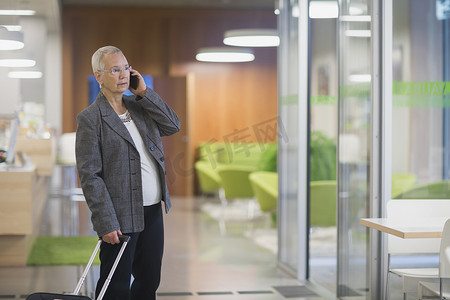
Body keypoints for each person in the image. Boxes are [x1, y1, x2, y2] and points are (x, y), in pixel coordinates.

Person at [75, 45, 180, 300]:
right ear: (98, 76)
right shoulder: (91, 118)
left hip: (153, 210)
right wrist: (105, 221)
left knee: (149, 281)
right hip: (119, 216)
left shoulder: (141, 107)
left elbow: (172, 125)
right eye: (114, 70)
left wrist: (144, 92)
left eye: (125, 68)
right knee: (116, 285)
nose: (123, 75)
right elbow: (90, 175)